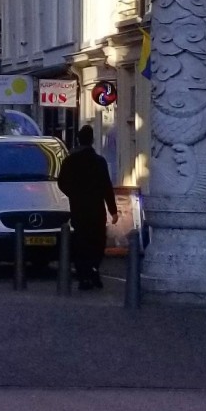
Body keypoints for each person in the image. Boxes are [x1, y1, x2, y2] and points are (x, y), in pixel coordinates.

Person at [56, 122, 118, 291]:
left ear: (78, 140)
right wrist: (113, 210)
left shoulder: (70, 161)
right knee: (97, 242)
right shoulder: (99, 162)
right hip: (97, 209)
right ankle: (94, 270)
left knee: (81, 243)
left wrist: (73, 194)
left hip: (78, 209)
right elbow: (107, 186)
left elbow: (61, 182)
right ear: (92, 140)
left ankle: (84, 276)